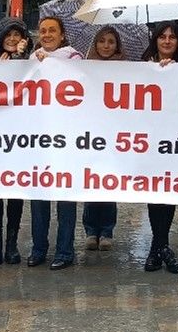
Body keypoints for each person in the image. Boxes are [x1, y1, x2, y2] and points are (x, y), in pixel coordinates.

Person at [29, 17, 83, 269]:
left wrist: (49, 65)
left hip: (67, 137)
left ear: (62, 35)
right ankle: (38, 248)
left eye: (52, 31)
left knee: (65, 196)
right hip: (38, 137)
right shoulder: (32, 59)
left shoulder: (74, 57)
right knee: (38, 196)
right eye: (43, 31)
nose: (47, 35)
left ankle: (65, 250)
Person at [141, 22, 178, 273]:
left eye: (172, 37)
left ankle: (158, 248)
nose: (167, 41)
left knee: (168, 194)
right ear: (156, 40)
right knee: (153, 195)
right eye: (162, 37)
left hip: (175, 142)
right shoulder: (143, 66)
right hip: (148, 143)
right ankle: (161, 248)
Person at [0, 17, 32, 265]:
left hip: (21, 136)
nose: (13, 40)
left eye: (18, 35)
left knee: (15, 190)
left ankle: (12, 243)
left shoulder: (31, 62)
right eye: (8, 35)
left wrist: (19, 61)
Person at [82, 26, 125, 249]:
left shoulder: (126, 69)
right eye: (101, 41)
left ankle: (107, 230)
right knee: (91, 181)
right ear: (95, 44)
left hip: (115, 134)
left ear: (117, 45)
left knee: (109, 181)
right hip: (91, 132)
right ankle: (90, 230)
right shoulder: (84, 67)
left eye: (111, 41)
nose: (106, 46)